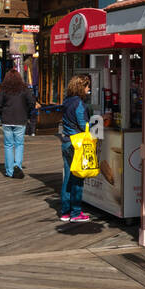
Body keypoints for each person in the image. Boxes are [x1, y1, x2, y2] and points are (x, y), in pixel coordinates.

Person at [57, 74, 93, 222]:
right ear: (81, 87)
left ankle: (65, 211)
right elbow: (84, 125)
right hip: (76, 143)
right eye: (87, 86)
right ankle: (76, 212)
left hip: (66, 141)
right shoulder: (79, 103)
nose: (89, 89)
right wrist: (100, 120)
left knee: (68, 178)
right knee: (78, 178)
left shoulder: (67, 101)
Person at [0, 69, 36, 179]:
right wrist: (26, 112)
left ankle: (9, 171)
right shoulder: (24, 89)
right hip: (20, 119)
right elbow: (32, 102)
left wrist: (2, 113)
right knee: (19, 144)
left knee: (8, 145)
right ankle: (17, 166)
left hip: (7, 119)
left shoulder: (4, 90)